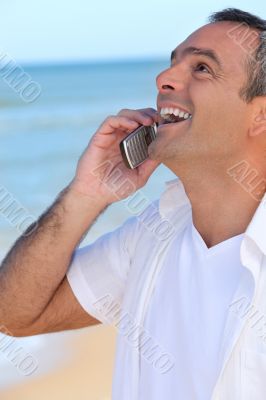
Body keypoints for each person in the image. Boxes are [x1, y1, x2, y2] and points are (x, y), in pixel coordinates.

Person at [1, 7, 266, 400]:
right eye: (173, 63)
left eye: (202, 68)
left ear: (260, 115)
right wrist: (87, 194)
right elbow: (15, 314)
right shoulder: (152, 234)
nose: (164, 79)